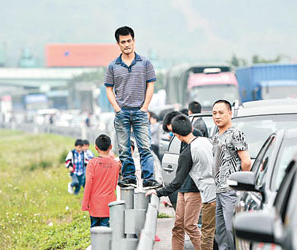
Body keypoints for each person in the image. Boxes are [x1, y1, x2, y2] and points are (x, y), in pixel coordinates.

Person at [147, 115, 216, 250]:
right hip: (208, 190)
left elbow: (177, 181)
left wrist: (158, 192)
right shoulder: (205, 141)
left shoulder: (188, 152)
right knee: (179, 226)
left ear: (176, 135)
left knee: (191, 226)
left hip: (201, 192)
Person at [105, 26, 160, 189]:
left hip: (140, 112)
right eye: (123, 42)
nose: (127, 44)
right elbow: (108, 88)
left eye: (129, 41)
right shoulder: (112, 66)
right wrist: (116, 108)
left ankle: (149, 177)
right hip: (122, 112)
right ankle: (129, 177)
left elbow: (151, 85)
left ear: (134, 41)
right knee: (123, 148)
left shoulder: (145, 63)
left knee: (145, 146)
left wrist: (145, 107)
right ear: (118, 44)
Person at [212, 100, 251, 250]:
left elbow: (246, 162)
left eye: (221, 113)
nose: (217, 116)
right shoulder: (216, 136)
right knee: (220, 232)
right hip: (218, 190)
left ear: (230, 113)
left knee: (231, 230)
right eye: (214, 113)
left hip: (231, 190)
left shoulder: (236, 133)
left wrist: (242, 185)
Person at [82, 134, 121, 227]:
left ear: (96, 147)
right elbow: (115, 183)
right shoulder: (115, 164)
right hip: (109, 204)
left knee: (95, 231)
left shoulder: (92, 163)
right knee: (106, 232)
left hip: (94, 205)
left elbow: (88, 184)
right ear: (110, 147)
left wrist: (85, 202)